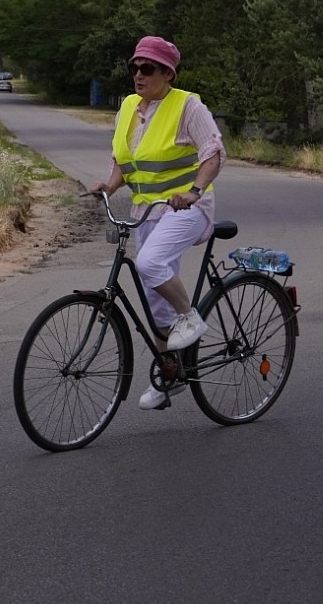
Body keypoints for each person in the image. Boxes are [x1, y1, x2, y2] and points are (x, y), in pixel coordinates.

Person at [88, 36, 227, 411]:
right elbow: (124, 159)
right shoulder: (129, 108)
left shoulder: (187, 106)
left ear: (167, 73)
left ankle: (191, 318)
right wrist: (110, 184)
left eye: (147, 68)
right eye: (134, 66)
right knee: (153, 300)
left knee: (150, 264)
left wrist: (195, 191)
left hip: (186, 211)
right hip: (145, 212)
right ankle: (170, 376)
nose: (138, 74)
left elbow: (213, 153)